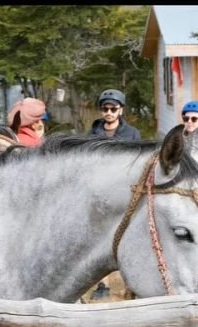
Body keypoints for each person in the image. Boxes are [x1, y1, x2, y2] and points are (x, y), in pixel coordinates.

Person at [89, 89, 140, 300]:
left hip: (123, 190)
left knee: (127, 237)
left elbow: (137, 161)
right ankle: (103, 284)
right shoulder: (92, 134)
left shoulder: (132, 134)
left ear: (121, 110)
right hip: (99, 191)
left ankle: (133, 284)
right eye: (105, 108)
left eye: (113, 108)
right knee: (100, 237)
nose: (108, 112)